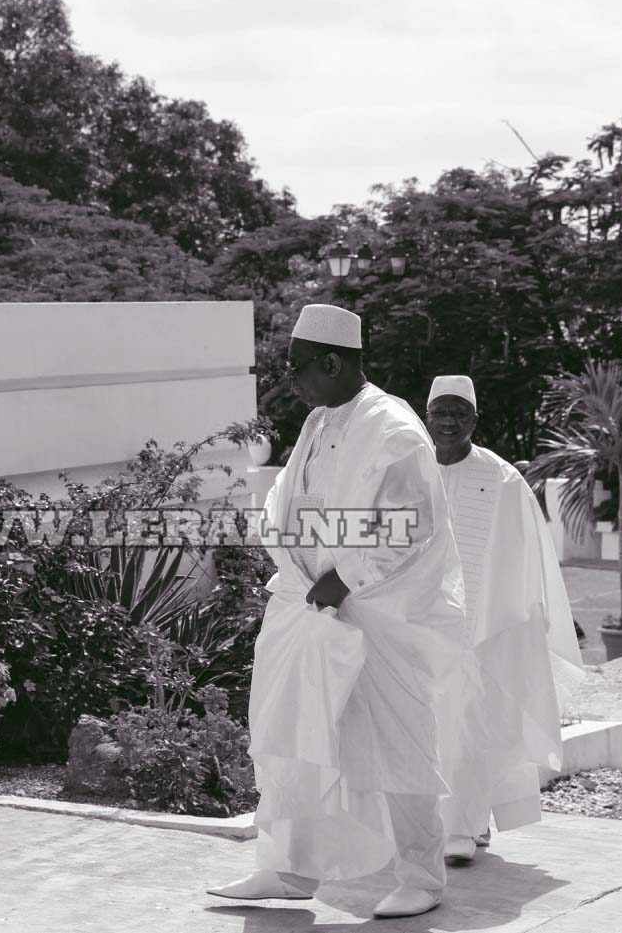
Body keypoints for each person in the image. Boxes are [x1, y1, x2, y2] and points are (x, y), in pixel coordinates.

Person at [207, 304, 468, 920]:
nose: (291, 382)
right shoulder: (321, 420)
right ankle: (291, 869)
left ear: (331, 360)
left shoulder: (393, 426)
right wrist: (299, 569)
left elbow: (410, 523)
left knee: (396, 742)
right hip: (308, 604)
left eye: (297, 368)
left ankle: (423, 877)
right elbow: (288, 500)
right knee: (291, 731)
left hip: (380, 614)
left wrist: (342, 578)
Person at [425, 376, 585, 861]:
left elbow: (522, 556)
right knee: (429, 727)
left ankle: (462, 827)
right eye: (440, 411)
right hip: (418, 624)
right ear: (427, 416)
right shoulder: (408, 468)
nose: (449, 421)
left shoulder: (500, 477)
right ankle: (446, 823)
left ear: (474, 419)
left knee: (472, 722)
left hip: (483, 625)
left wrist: (509, 620)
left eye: (460, 412)